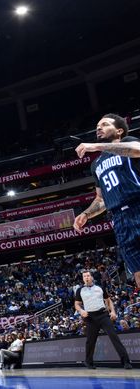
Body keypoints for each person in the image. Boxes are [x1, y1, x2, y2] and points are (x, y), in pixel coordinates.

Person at [73, 113, 140, 287]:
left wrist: (96, 146)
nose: (98, 128)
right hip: (119, 220)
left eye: (104, 124)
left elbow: (137, 149)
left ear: (119, 131)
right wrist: (86, 214)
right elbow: (100, 198)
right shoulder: (96, 165)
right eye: (97, 126)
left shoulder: (129, 142)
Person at [74, 270, 132, 369]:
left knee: (114, 336)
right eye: (84, 276)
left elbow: (108, 301)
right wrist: (81, 311)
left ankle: (126, 361)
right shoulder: (80, 290)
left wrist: (113, 311)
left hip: (103, 315)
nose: (86, 278)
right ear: (83, 279)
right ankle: (89, 362)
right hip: (90, 317)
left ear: (91, 277)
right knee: (90, 341)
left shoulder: (100, 287)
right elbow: (77, 305)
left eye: (88, 275)